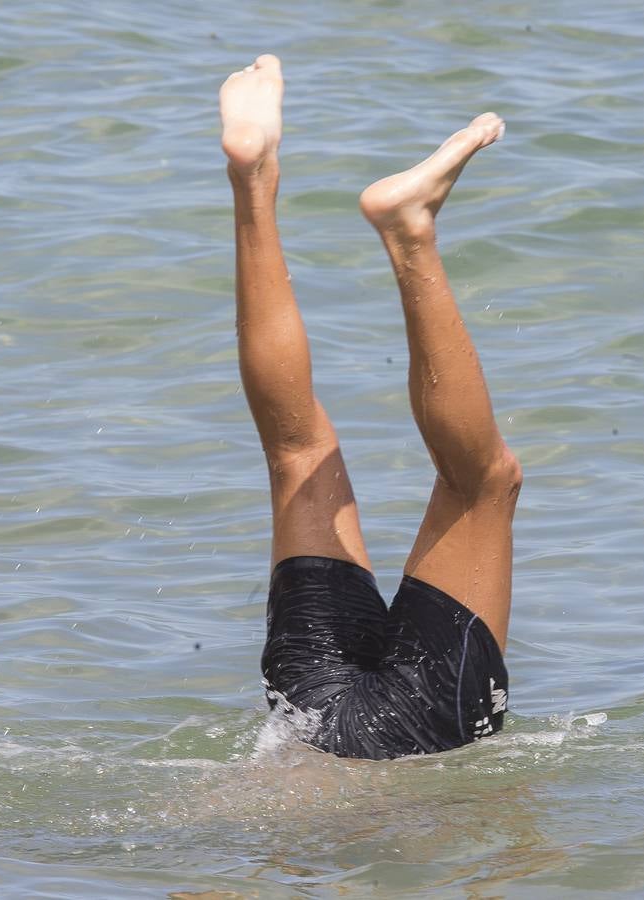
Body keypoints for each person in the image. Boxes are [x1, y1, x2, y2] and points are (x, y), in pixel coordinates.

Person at [220, 55, 520, 759]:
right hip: (307, 702)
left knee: (480, 486)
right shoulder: (285, 837)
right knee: (296, 453)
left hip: (412, 731)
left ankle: (411, 232)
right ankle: (252, 180)